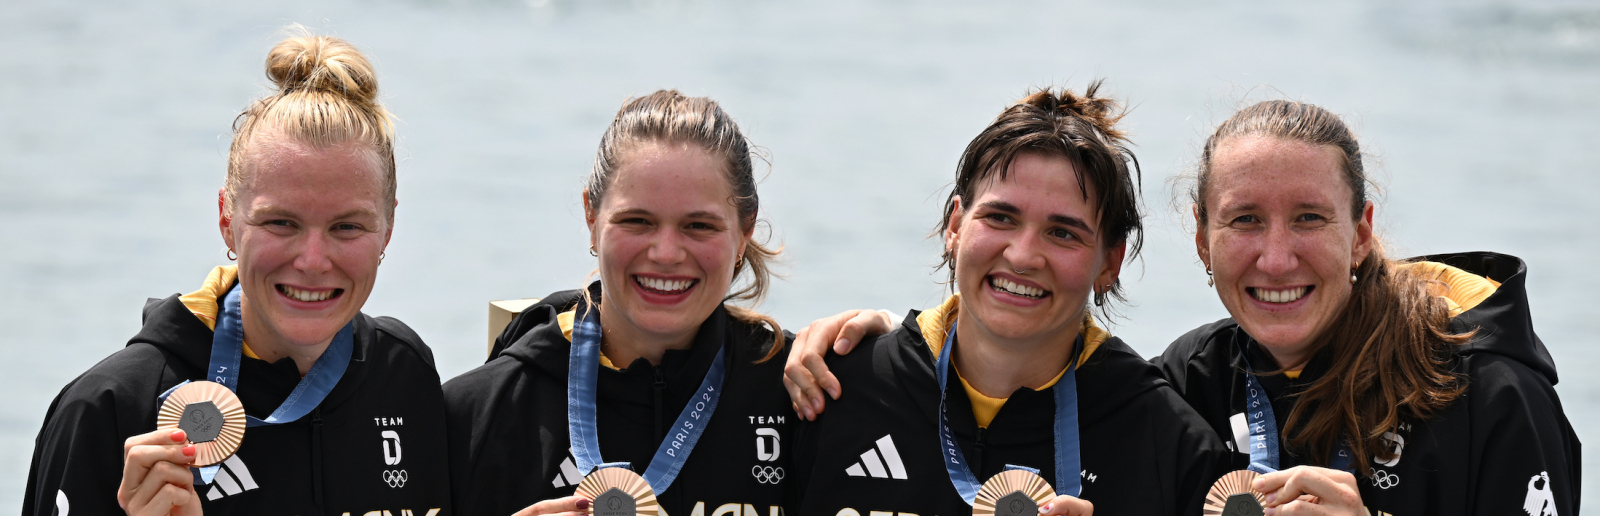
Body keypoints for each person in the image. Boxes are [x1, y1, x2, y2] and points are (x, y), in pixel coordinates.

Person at [22, 33, 452, 516]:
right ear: (227, 217)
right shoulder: (109, 409)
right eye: (281, 223)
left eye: (346, 226)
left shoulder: (403, 371)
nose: (313, 260)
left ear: (388, 227)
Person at [786, 84, 1230, 516]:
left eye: (1063, 233)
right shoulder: (833, 389)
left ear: (1110, 263)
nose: (1022, 256)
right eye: (1000, 217)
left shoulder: (1167, 441)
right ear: (955, 226)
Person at [1153, 100, 1580, 515]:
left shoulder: (1491, 394)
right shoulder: (1186, 384)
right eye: (1245, 219)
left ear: (1360, 235)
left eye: (1309, 218)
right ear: (1203, 241)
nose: (1276, 260)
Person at [444, 90, 798, 516]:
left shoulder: (801, 396)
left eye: (698, 225)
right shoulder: (472, 415)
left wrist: (881, 333)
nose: (666, 253)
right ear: (592, 219)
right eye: (637, 221)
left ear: (744, 232)